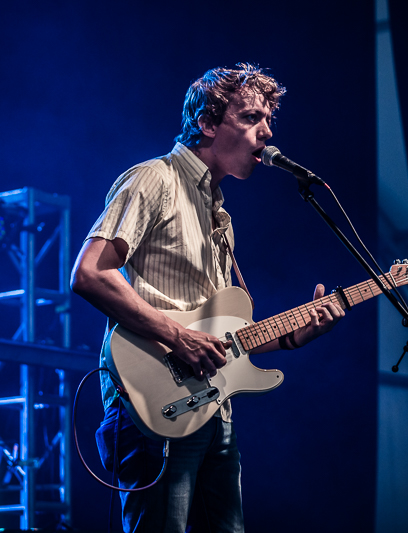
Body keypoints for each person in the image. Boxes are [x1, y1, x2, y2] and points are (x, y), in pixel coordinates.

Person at [71, 63, 345, 532]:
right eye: (252, 117)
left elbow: (222, 336)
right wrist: (179, 338)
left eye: (269, 120)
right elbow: (90, 272)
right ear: (207, 123)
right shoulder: (155, 179)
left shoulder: (219, 215)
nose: (267, 131)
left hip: (213, 408)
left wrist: (293, 337)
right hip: (152, 406)